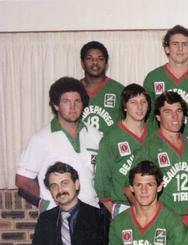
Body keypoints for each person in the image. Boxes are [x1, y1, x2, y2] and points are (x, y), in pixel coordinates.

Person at [16, 77, 102, 210]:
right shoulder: (41, 139)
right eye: (66, 101)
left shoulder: (95, 135)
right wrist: (46, 204)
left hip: (91, 215)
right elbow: (22, 180)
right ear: (56, 105)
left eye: (77, 101)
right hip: (56, 219)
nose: (73, 107)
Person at [143, 24, 188, 154]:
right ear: (167, 48)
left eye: (185, 44)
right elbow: (148, 117)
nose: (180, 48)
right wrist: (154, 140)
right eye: (175, 44)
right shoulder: (153, 77)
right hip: (162, 140)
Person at [134, 91, 188, 224]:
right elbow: (131, 187)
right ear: (158, 116)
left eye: (179, 111)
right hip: (164, 218)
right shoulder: (150, 146)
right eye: (168, 112)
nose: (175, 116)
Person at [95, 83, 151, 217]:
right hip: (122, 204)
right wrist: (113, 210)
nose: (139, 107)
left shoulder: (155, 134)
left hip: (152, 204)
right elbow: (102, 179)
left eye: (143, 102)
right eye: (133, 102)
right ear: (125, 106)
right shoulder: (112, 137)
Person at [79, 41, 124, 133]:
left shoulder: (119, 90)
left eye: (100, 59)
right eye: (89, 58)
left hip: (110, 147)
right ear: (82, 63)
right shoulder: (72, 90)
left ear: (106, 63)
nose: (95, 62)